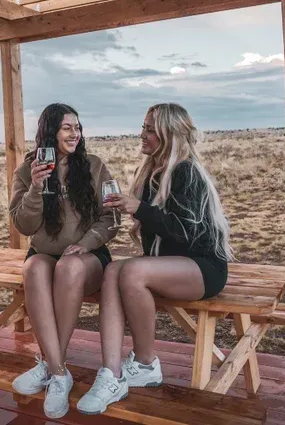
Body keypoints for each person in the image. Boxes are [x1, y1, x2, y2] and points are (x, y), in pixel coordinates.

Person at [77, 103, 233, 415]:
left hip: (203, 267)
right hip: (171, 266)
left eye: (150, 129)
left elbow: (188, 234)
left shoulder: (186, 171)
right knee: (112, 271)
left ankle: (146, 363)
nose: (142, 134)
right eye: (144, 127)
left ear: (169, 134)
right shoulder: (152, 172)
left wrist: (141, 209)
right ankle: (111, 373)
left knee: (132, 271)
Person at [9, 103, 118, 419]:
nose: (75, 133)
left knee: (68, 266)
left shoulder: (94, 166)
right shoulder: (27, 171)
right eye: (67, 127)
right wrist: (36, 188)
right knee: (33, 268)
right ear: (50, 131)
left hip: (88, 257)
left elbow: (110, 218)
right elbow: (24, 226)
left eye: (78, 127)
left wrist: (85, 244)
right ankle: (58, 373)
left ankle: (50, 363)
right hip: (44, 252)